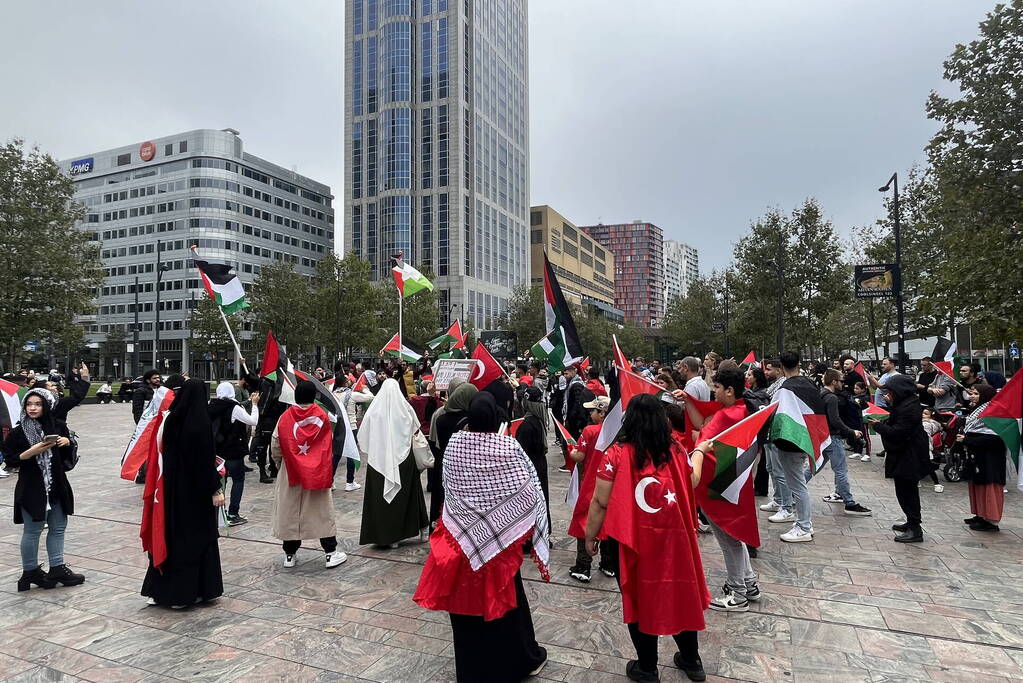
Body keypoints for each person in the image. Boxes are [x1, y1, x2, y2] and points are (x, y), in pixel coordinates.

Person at [413, 392, 549, 682]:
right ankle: (517, 662)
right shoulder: (508, 447)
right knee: (507, 606)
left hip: (459, 539)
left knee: (465, 612)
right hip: (499, 543)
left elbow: (448, 490)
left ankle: (472, 670)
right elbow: (528, 491)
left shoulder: (454, 446)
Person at [584, 394, 709, 682]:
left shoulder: (616, 453)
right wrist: (700, 451)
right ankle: (692, 660)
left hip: (631, 540)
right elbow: (692, 481)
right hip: (673, 540)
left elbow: (600, 502)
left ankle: (647, 667)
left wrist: (590, 536)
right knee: (679, 593)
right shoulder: (675, 449)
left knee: (638, 598)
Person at [140, 379, 224, 606]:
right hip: (194, 495)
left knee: (170, 537)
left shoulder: (170, 420)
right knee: (195, 541)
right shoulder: (199, 424)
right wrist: (215, 488)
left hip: (170, 492)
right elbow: (204, 463)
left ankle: (160, 590)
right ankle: (186, 593)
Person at [689, 368, 761, 613]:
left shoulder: (725, 416)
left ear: (729, 390)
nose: (714, 391)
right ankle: (749, 584)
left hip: (719, 486)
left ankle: (737, 592)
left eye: (717, 387)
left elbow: (701, 443)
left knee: (728, 539)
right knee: (734, 537)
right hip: (736, 484)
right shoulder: (747, 411)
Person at [2, 387, 86, 591]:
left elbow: (68, 458)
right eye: (29, 404)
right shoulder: (18, 432)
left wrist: (67, 442)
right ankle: (29, 572)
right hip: (32, 488)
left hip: (56, 485)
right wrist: (30, 452)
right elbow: (10, 460)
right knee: (32, 531)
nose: (32, 408)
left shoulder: (57, 426)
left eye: (37, 404)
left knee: (58, 528)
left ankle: (57, 568)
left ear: (46, 406)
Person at [269, 380, 346, 568]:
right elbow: (327, 444)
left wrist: (281, 462)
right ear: (314, 396)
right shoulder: (322, 416)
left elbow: (276, 443)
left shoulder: (285, 417)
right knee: (321, 512)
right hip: (316, 470)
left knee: (291, 512)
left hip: (291, 470)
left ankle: (289, 554)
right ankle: (330, 552)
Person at [358, 378, 430, 548]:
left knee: (382, 500)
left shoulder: (374, 411)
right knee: (410, 495)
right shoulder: (405, 409)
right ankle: (421, 528)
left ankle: (389, 536)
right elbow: (416, 427)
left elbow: (363, 435)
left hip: (378, 461)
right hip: (404, 458)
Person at [873, 375, 930, 543]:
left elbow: (899, 432)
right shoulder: (904, 403)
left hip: (909, 454)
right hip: (904, 453)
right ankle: (911, 521)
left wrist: (878, 426)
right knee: (903, 489)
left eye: (890, 392)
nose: (888, 395)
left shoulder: (909, 408)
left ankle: (915, 528)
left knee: (908, 490)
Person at [567, 395, 617, 583]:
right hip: (611, 484)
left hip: (592, 483)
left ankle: (583, 565)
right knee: (608, 522)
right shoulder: (617, 433)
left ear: (603, 413)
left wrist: (571, 449)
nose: (591, 413)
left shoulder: (590, 431)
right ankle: (608, 564)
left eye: (594, 410)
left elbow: (579, 456)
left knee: (585, 521)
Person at [771, 351, 820, 543]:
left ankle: (804, 526)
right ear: (799, 364)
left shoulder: (785, 389)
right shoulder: (810, 385)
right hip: (805, 439)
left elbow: (775, 413)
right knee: (798, 483)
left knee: (797, 485)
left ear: (782, 367)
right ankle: (803, 521)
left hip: (790, 442)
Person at [819, 370, 872, 516]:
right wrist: (851, 431)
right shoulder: (831, 398)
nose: (843, 383)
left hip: (824, 436)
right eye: (841, 381)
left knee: (813, 468)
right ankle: (849, 502)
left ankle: (791, 493)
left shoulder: (822, 394)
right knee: (841, 470)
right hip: (833, 437)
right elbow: (835, 420)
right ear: (834, 381)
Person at [208, 381, 260, 526]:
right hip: (233, 451)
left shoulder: (211, 405)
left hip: (217, 452)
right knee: (238, 480)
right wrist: (254, 405)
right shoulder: (234, 407)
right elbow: (253, 421)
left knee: (219, 483)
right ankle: (233, 513)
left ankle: (219, 514)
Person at [429, 382, 477, 525]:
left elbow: (434, 441)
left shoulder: (440, 416)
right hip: (463, 471)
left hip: (442, 464)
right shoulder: (470, 420)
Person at [959, 384, 1004, 531]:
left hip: (990, 457)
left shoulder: (993, 412)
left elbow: (994, 438)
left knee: (989, 485)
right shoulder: (978, 409)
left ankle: (991, 520)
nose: (972, 396)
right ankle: (980, 514)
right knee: (977, 484)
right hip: (978, 454)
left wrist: (967, 440)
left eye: (976, 394)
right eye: (971, 393)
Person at [759, 359, 793, 520]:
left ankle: (786, 507)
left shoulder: (783, 386)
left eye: (769, 369)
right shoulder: (773, 386)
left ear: (779, 370)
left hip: (776, 432)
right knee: (771, 468)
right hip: (768, 433)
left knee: (780, 472)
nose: (766, 372)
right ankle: (778, 499)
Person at [514, 386, 551, 533]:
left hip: (531, 467)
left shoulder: (527, 425)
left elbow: (522, 451)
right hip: (540, 464)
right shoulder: (538, 420)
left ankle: (533, 535)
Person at [921, 407, 945, 493]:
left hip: (924, 446)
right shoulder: (928, 424)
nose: (923, 415)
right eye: (923, 413)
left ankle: (937, 484)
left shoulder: (927, 424)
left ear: (932, 416)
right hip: (923, 445)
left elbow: (925, 436)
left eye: (926, 414)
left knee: (928, 466)